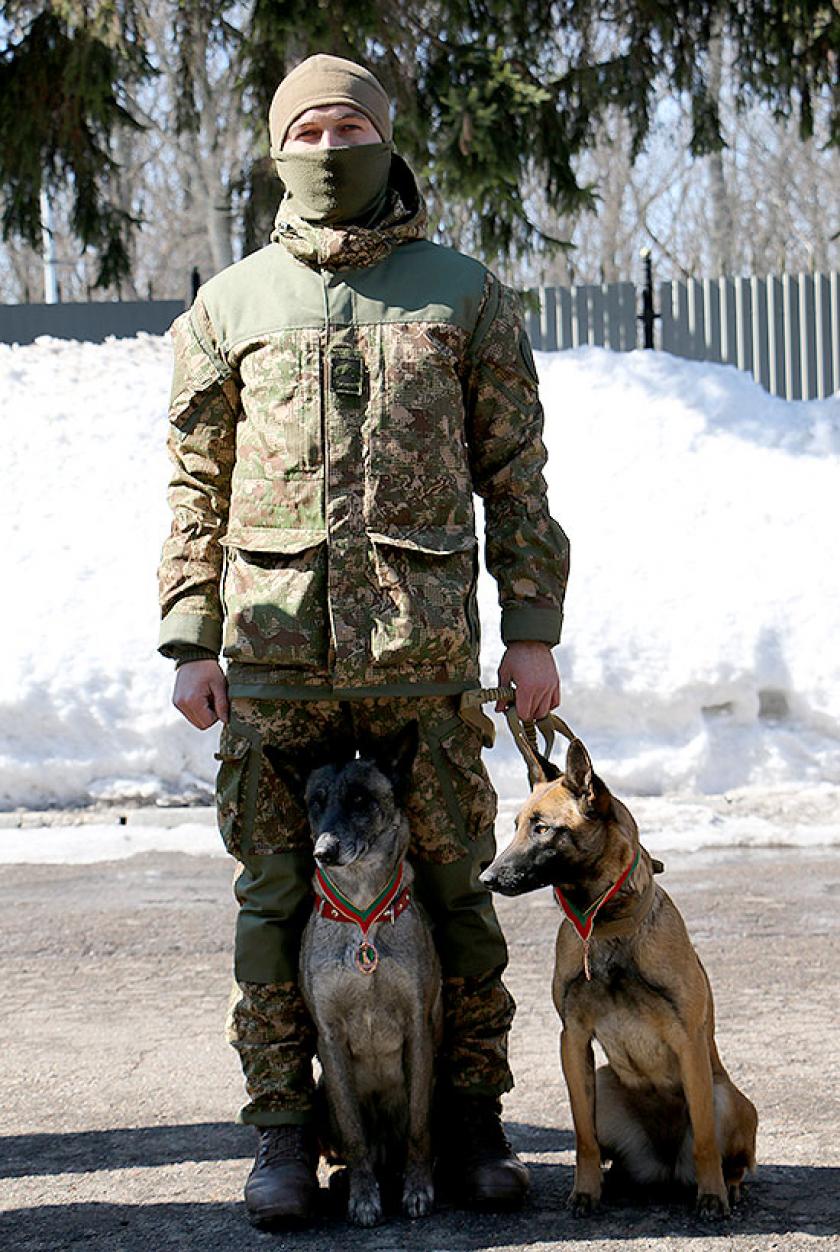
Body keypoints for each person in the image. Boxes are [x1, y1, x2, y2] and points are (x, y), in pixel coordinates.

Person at [158, 53, 569, 1228]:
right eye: (310, 129)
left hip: (422, 660)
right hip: (277, 666)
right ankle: (288, 1136)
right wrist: (191, 635)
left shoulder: (464, 294)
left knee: (458, 892)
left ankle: (473, 1123)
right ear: (279, 149)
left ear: (385, 140)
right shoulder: (230, 306)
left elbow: (517, 475)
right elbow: (196, 484)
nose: (331, 148)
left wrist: (531, 631)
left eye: (351, 127)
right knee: (276, 902)